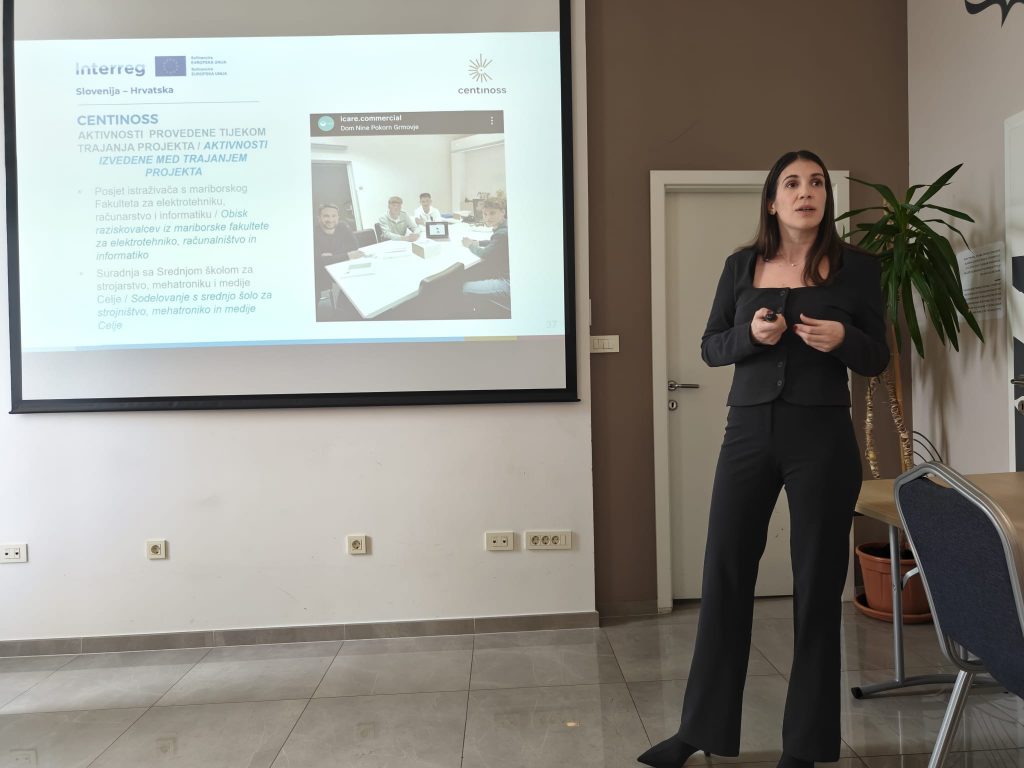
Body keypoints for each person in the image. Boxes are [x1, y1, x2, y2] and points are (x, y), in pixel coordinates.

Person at [638, 150, 889, 768]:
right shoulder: (741, 265)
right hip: (748, 433)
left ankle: (804, 747)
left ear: (827, 197)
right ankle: (699, 730)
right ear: (772, 201)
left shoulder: (858, 268)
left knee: (817, 586)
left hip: (822, 438)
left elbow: (878, 356)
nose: (807, 192)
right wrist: (750, 336)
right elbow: (710, 347)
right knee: (724, 573)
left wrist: (844, 339)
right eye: (792, 183)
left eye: (817, 183)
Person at [461, 198, 509, 301]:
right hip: (509, 274)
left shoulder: (502, 233)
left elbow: (484, 254)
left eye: (492, 213)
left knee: (464, 287)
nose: (488, 218)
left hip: (508, 283)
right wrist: (479, 242)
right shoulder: (506, 226)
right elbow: (495, 242)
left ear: (503, 212)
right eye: (485, 214)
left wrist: (470, 245)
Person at [312, 202, 358, 302]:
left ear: (338, 217)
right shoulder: (312, 233)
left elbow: (354, 246)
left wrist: (332, 256)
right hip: (322, 273)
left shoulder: (343, 226)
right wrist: (347, 255)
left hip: (344, 267)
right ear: (319, 218)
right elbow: (319, 261)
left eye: (334, 216)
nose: (330, 219)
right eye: (326, 216)